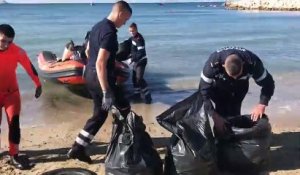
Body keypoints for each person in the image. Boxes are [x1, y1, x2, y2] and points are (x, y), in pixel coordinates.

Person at [67, 1, 132, 164]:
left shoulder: (97, 26)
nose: (124, 24)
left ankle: (78, 148)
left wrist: (95, 73)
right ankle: (127, 145)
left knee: (99, 114)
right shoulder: (110, 33)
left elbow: (88, 51)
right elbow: (101, 63)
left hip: (89, 75)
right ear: (121, 13)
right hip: (101, 78)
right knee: (124, 108)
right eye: (125, 20)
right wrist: (106, 91)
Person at [199, 46, 275, 134]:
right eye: (232, 76)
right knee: (221, 115)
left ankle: (235, 138)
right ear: (223, 65)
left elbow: (268, 83)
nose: (235, 78)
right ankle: (222, 137)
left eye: (238, 75)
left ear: (243, 63)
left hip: (240, 86)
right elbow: (203, 92)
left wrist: (262, 104)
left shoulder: (252, 62)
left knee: (234, 113)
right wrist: (214, 115)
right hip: (218, 87)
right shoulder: (212, 65)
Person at [0, 24, 42, 169]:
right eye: (3, 41)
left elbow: (30, 68)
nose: (6, 45)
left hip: (11, 93)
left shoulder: (17, 51)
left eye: (9, 42)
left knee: (14, 124)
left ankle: (14, 155)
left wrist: (38, 84)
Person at [128, 22, 152, 104]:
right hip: (136, 61)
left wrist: (132, 59)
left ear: (136, 30)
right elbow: (132, 48)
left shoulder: (139, 39)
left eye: (133, 31)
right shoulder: (132, 38)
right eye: (130, 31)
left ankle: (148, 96)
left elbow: (141, 52)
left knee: (139, 78)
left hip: (141, 61)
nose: (132, 33)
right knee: (134, 78)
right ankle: (137, 94)